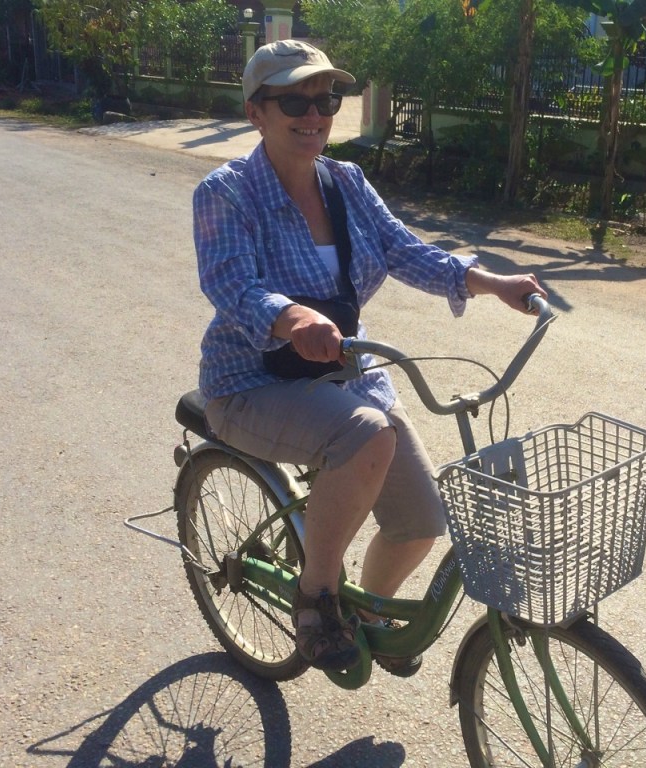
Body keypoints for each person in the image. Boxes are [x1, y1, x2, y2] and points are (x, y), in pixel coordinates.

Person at [192, 39, 546, 673]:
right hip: (249, 382)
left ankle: (366, 615)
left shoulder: (348, 183)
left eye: (325, 98)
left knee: (421, 520)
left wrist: (493, 283)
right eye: (294, 100)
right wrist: (292, 317)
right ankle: (316, 597)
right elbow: (232, 283)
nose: (314, 113)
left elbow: (405, 250)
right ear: (256, 112)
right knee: (365, 433)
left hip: (344, 375)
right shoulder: (226, 192)